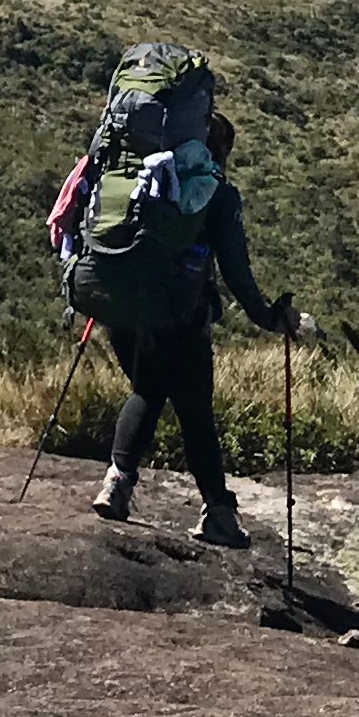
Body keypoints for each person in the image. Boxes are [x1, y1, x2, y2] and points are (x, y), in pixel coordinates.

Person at [57, 108, 298, 547]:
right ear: (217, 150)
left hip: (121, 310)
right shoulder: (216, 196)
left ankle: (117, 483)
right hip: (181, 318)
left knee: (149, 388)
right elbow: (237, 272)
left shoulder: (134, 182)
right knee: (193, 409)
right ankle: (217, 514)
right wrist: (268, 317)